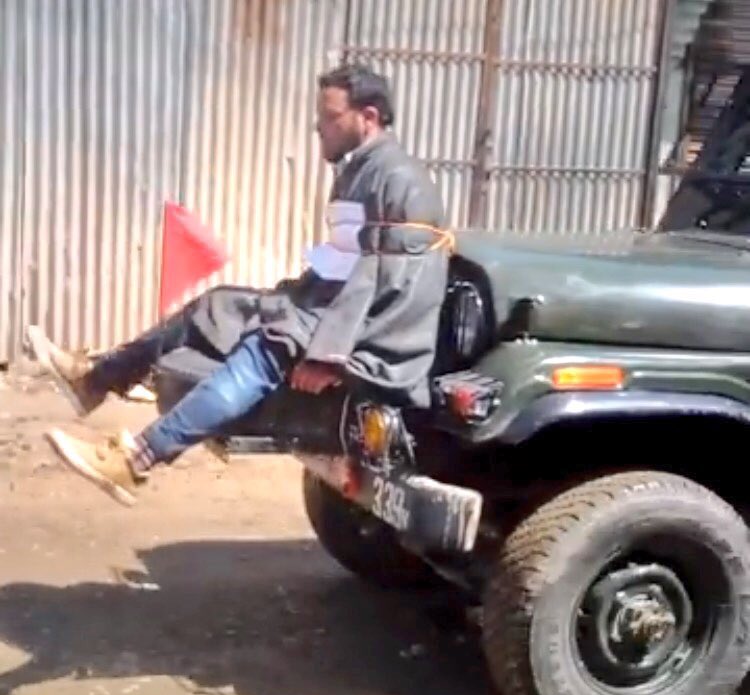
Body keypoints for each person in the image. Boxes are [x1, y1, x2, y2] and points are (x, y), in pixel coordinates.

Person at [28, 63, 450, 507]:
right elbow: (345, 263)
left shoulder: (401, 179)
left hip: (363, 333)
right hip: (326, 308)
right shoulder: (359, 170)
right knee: (216, 306)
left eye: (329, 117)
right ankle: (95, 381)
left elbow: (401, 286)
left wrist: (331, 356)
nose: (318, 126)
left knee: (267, 348)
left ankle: (136, 460)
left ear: (369, 116)